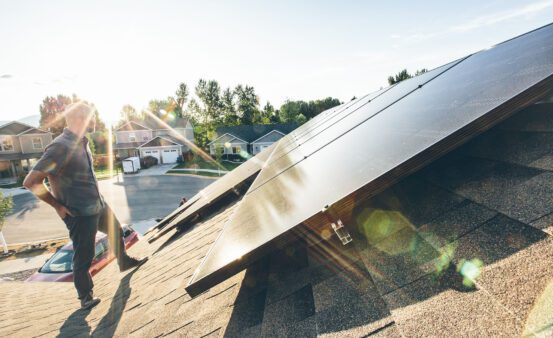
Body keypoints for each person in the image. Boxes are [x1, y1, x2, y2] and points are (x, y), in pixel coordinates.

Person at [23, 102, 147, 310]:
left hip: (97, 205)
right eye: (92, 117)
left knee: (116, 231)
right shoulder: (59, 147)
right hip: (79, 213)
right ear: (79, 119)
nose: (96, 120)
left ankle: (123, 262)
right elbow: (31, 182)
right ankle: (85, 296)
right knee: (84, 256)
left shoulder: (82, 142)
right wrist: (57, 206)